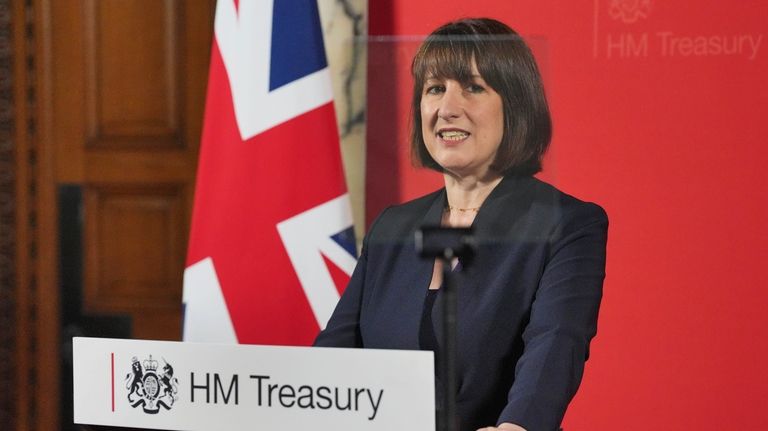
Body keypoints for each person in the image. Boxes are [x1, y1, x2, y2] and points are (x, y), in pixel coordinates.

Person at [314, 17, 608, 431]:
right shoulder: (393, 226)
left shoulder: (567, 224)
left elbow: (556, 341)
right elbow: (335, 354)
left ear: (516, 104)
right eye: (435, 89)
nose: (447, 109)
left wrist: (517, 427)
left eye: (472, 87)